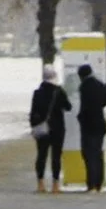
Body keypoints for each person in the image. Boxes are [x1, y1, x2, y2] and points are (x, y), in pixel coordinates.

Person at [27, 65, 68, 193]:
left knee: (41, 155)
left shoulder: (37, 93)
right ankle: (55, 185)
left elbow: (33, 111)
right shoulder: (59, 91)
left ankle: (40, 184)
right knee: (56, 156)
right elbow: (68, 106)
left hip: (42, 129)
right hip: (57, 128)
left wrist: (34, 126)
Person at [75, 63, 106, 192]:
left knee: (88, 154)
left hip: (88, 125)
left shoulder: (84, 87)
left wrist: (81, 117)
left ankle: (91, 183)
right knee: (98, 153)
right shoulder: (99, 84)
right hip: (100, 123)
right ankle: (98, 183)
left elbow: (84, 106)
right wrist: (99, 105)